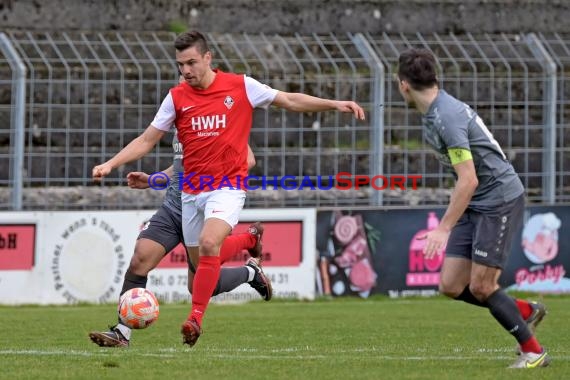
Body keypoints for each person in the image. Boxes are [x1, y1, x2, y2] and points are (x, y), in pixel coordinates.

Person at [92, 30, 365, 347]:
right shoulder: (178, 99)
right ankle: (125, 331)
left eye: (191, 63)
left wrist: (334, 104)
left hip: (223, 189)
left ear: (208, 57)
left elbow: (288, 100)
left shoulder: (240, 87)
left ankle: (196, 318)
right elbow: (147, 141)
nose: (186, 71)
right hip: (183, 199)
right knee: (148, 261)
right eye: (181, 65)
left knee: (209, 247)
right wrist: (114, 165)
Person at [396, 48, 549, 369]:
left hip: (498, 199)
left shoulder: (446, 117)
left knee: (481, 286)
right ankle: (523, 311)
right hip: (478, 200)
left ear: (402, 85)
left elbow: (468, 180)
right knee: (451, 285)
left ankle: (533, 352)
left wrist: (443, 227)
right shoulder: (436, 111)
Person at [89, 130, 271, 348]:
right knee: (140, 259)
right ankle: (122, 333)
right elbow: (180, 163)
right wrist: (156, 179)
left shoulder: (221, 115)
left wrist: (208, 177)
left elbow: (248, 160)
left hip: (204, 211)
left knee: (200, 287)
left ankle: (251, 272)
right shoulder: (179, 111)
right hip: (173, 209)